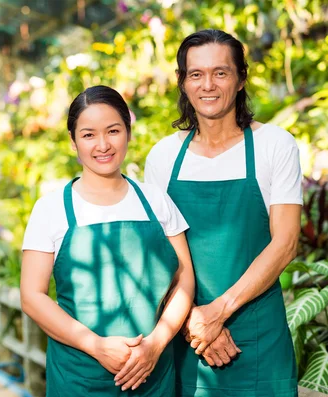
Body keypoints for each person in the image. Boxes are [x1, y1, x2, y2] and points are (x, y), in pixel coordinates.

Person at [145, 29, 302, 396]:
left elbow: (286, 242)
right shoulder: (163, 157)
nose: (208, 85)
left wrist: (217, 312)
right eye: (195, 74)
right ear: (182, 82)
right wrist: (193, 322)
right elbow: (159, 254)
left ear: (241, 78)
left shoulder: (273, 145)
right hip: (190, 339)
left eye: (221, 72)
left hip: (259, 338)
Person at [20, 85, 195, 396]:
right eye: (88, 135)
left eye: (113, 131)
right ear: (73, 141)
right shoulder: (51, 209)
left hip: (153, 375)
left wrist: (155, 344)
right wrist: (96, 346)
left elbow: (184, 280)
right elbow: (32, 296)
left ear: (127, 132)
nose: (103, 144)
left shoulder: (156, 201)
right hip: (80, 377)